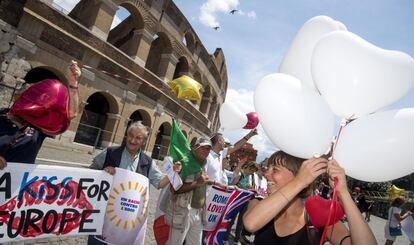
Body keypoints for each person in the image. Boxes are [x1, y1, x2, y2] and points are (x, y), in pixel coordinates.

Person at [243, 151, 377, 245]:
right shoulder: (257, 203)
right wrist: (299, 182)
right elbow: (251, 223)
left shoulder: (316, 217)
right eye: (267, 168)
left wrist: (343, 192)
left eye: (275, 169)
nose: (266, 174)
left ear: (298, 175)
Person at [88, 121, 181, 244]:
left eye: (138, 138)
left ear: (143, 142)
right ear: (126, 135)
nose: (133, 140)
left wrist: (172, 172)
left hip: (127, 220)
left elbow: (159, 183)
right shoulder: (110, 152)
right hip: (103, 215)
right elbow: (90, 173)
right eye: (131, 135)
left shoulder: (147, 162)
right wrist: (104, 173)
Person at [0, 60, 81, 168]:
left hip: (17, 183)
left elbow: (71, 113)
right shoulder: (2, 115)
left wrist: (73, 82)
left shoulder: (39, 127)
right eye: (32, 94)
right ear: (18, 95)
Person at [161, 137, 214, 245]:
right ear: (195, 148)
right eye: (203, 148)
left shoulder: (203, 163)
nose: (206, 151)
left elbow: (205, 180)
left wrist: (219, 184)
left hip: (198, 212)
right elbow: (174, 189)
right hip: (183, 211)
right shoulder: (185, 162)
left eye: (208, 149)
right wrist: (197, 183)